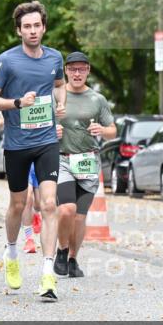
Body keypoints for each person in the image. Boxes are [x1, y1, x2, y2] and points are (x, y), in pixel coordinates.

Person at [0, 0, 66, 301]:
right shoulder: (6, 60)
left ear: (44, 27)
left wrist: (61, 103)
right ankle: (12, 252)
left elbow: (59, 84)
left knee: (48, 204)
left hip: (46, 141)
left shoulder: (55, 57)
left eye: (37, 25)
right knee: (19, 205)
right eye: (26, 26)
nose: (32, 31)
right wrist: (17, 103)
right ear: (19, 30)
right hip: (17, 144)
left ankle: (48, 274)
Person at [54, 51, 116, 278]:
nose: (77, 73)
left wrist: (102, 130)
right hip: (62, 159)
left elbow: (112, 131)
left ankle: (72, 258)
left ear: (88, 70)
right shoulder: (55, 96)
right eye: (72, 69)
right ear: (66, 71)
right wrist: (52, 130)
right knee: (66, 209)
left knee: (80, 216)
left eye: (81, 69)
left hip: (88, 161)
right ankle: (61, 251)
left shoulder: (97, 99)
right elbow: (41, 124)